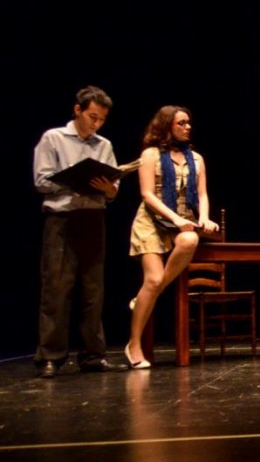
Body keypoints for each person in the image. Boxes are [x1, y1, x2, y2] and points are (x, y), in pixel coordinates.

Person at [32, 85, 128, 377]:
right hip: (62, 220)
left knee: (93, 290)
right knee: (57, 289)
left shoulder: (104, 145)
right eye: (92, 117)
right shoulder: (53, 138)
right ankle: (50, 356)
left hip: (93, 219)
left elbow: (114, 190)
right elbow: (41, 181)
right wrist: (72, 180)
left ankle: (93, 355)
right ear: (78, 110)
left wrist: (108, 188)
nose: (96, 124)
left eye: (101, 120)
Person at [125, 106, 219, 369]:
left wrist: (204, 217)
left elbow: (202, 194)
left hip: (182, 221)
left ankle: (147, 297)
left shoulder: (196, 159)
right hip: (152, 221)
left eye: (189, 122)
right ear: (167, 125)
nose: (188, 127)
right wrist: (175, 218)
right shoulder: (150, 155)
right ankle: (134, 345)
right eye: (181, 123)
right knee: (153, 279)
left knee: (190, 240)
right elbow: (147, 194)